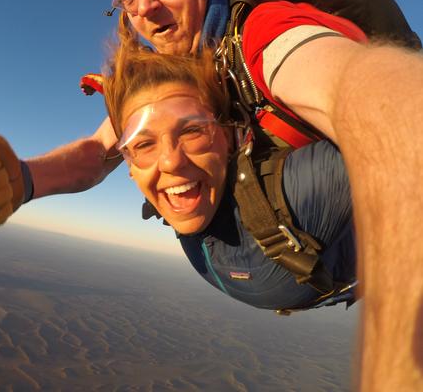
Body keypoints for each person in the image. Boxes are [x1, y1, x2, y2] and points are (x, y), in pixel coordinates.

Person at [0, 0, 423, 389]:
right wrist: (28, 178)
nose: (146, 9)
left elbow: (360, 91)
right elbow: (101, 151)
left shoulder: (263, 37)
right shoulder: (168, 69)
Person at [103, 41, 357, 313]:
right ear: (131, 168)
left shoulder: (297, 195)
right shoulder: (186, 197)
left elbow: (400, 129)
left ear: (229, 138)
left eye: (192, 131)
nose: (170, 161)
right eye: (143, 145)